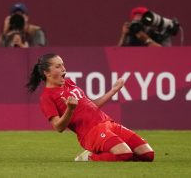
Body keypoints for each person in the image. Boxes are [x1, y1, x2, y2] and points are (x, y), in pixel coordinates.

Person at [26, 53, 155, 162]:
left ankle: (116, 157)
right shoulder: (46, 97)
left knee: (148, 155)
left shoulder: (69, 83)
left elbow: (91, 106)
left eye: (63, 65)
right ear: (47, 73)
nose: (63, 69)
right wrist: (70, 109)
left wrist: (113, 90)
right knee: (124, 154)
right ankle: (88, 156)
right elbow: (58, 127)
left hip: (108, 123)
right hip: (90, 133)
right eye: (58, 66)